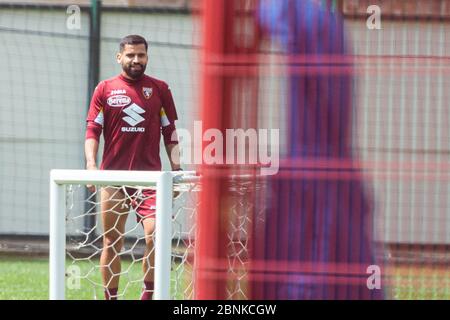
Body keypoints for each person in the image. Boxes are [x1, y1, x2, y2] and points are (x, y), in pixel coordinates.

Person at [253, 0, 383, 299]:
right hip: (325, 177)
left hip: (313, 181)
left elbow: (275, 14)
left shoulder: (312, 21)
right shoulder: (326, 24)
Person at [85, 34, 181, 300]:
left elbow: (170, 132)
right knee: (111, 241)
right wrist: (91, 165)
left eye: (141, 55)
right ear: (119, 57)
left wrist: (176, 167)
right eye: (130, 55)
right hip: (114, 180)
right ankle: (111, 297)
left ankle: (147, 295)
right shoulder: (104, 89)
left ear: (147, 57)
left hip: (150, 181)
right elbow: (92, 130)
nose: (136, 60)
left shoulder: (160, 89)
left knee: (155, 236)